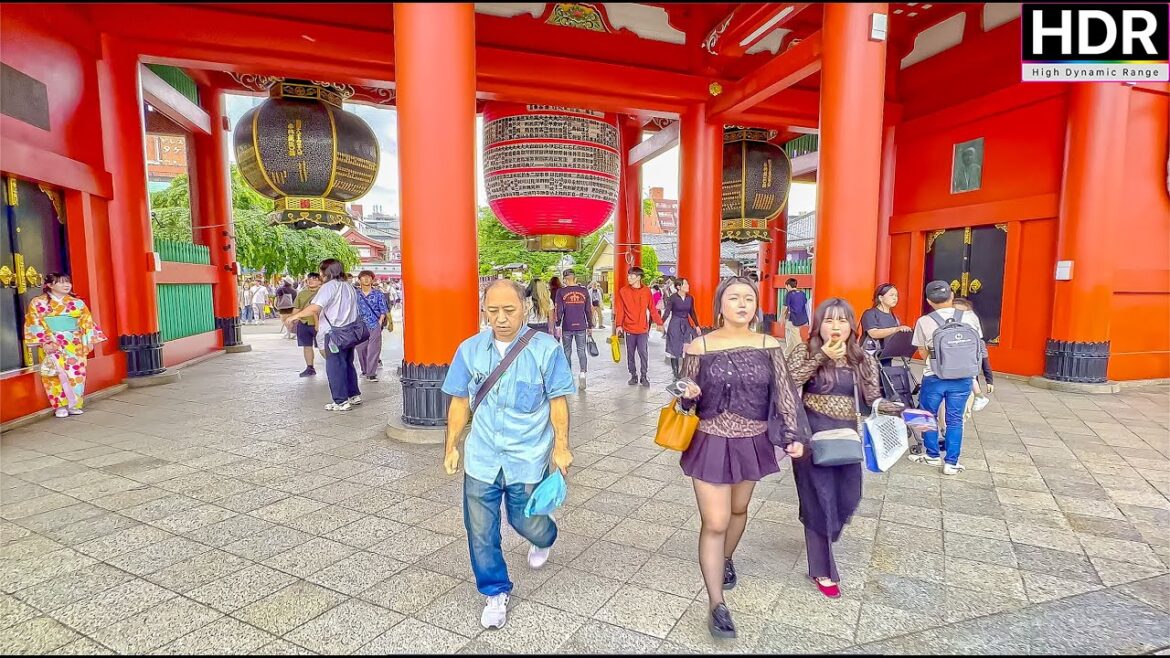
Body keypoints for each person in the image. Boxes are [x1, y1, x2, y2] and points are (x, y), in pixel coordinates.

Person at [677, 276, 809, 639]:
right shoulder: (700, 346)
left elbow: (784, 394)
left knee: (738, 510)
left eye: (748, 298)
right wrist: (687, 393)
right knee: (716, 521)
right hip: (710, 439)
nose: (741, 304)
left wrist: (793, 436)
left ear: (756, 306)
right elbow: (684, 401)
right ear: (720, 304)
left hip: (751, 439)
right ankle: (716, 603)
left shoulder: (769, 344)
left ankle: (726, 557)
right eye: (733, 298)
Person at [441, 279, 576, 630]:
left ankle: (543, 537)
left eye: (509, 310)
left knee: (525, 520)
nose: (500, 318)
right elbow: (459, 401)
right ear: (483, 310)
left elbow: (557, 401)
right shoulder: (469, 349)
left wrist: (562, 446)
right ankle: (495, 591)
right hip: (482, 454)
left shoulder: (546, 349)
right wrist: (451, 445)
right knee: (480, 528)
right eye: (493, 311)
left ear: (525, 309)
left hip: (527, 454)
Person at [786, 298, 884, 600]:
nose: (836, 326)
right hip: (811, 439)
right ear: (818, 325)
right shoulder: (803, 351)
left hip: (846, 439)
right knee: (820, 501)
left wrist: (893, 410)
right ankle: (822, 568)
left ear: (851, 326)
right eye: (829, 320)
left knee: (848, 498)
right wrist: (821, 358)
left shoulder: (861, 358)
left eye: (842, 320)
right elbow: (786, 386)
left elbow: (873, 396)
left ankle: (824, 528)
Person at [911, 280, 984, 475]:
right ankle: (952, 462)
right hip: (963, 378)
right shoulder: (970, 317)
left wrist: (935, 364)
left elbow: (921, 350)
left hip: (934, 377)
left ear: (928, 300)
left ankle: (932, 455)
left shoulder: (924, 321)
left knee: (926, 415)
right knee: (955, 419)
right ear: (952, 296)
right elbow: (978, 346)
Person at [23, 273, 108, 418]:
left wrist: (88, 341)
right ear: (49, 285)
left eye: (67, 282)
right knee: (53, 373)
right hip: (52, 342)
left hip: (75, 342)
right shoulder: (37, 303)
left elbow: (86, 323)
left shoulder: (77, 303)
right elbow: (34, 323)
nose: (66, 285)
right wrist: (45, 342)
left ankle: (74, 404)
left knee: (77, 373)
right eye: (61, 282)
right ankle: (59, 406)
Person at [283, 259, 362, 411]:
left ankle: (340, 401)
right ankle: (354, 395)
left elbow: (315, 307)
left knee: (334, 366)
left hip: (333, 334)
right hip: (349, 332)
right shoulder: (349, 287)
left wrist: (294, 317)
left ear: (326, 271)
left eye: (321, 271)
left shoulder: (329, 287)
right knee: (347, 363)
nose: (320, 274)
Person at [615, 266, 664, 387]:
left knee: (643, 352)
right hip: (629, 328)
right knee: (630, 353)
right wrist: (618, 325)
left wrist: (659, 322)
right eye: (628, 275)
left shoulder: (647, 291)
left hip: (642, 328)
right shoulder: (623, 291)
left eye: (632, 276)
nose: (629, 278)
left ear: (638, 278)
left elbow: (652, 309)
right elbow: (620, 310)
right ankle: (633, 375)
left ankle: (644, 376)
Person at [952, 297, 994, 416]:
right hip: (952, 380)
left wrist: (989, 379)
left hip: (966, 383)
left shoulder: (976, 340)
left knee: (963, 413)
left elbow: (984, 356)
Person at [553, 269, 593, 390]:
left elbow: (558, 310)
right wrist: (589, 325)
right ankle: (582, 374)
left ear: (565, 279)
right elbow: (588, 310)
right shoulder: (584, 291)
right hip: (581, 325)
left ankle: (568, 376)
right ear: (575, 278)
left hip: (567, 325)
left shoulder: (561, 292)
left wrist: (557, 324)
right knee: (581, 350)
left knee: (567, 351)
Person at [859, 283, 912, 366]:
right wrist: (895, 329)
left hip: (886, 357)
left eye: (896, 295)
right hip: (870, 357)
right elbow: (873, 333)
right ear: (880, 298)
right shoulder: (870, 313)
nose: (895, 298)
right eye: (891, 295)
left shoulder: (894, 317)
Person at [662, 277, 700, 381]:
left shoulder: (690, 298)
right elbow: (667, 312)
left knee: (685, 346)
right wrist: (660, 323)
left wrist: (697, 326)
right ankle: (675, 372)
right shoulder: (672, 298)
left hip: (686, 324)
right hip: (675, 323)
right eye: (685, 284)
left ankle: (683, 370)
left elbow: (692, 312)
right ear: (679, 287)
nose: (688, 286)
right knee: (674, 347)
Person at [354, 270, 389, 382]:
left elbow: (383, 309)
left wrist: (380, 320)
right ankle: (365, 370)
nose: (366, 279)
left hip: (374, 323)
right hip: (359, 325)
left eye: (368, 277)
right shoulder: (355, 294)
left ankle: (371, 373)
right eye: (363, 277)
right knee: (361, 349)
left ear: (372, 279)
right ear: (359, 280)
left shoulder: (378, 293)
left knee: (374, 349)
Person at [293, 273, 323, 377]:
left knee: (323, 347)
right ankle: (310, 368)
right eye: (309, 279)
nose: (311, 281)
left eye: (314, 279)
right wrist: (293, 318)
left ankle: (333, 366)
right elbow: (296, 308)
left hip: (321, 324)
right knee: (306, 346)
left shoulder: (324, 293)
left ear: (320, 281)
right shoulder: (302, 293)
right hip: (304, 323)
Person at [780, 278, 809, 357]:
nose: (786, 288)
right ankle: (787, 353)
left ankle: (801, 354)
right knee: (793, 337)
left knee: (796, 338)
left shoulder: (789, 294)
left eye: (786, 286)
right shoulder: (802, 293)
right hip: (802, 318)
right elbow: (805, 304)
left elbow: (785, 307)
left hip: (792, 318)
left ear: (788, 285)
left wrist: (782, 317)